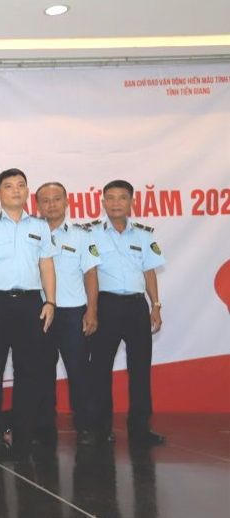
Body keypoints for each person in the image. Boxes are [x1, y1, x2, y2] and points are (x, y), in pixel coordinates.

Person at [0, 168, 57, 452]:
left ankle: (23, 432)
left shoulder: (40, 227)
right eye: (9, 186)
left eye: (21, 185)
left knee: (28, 370)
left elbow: (46, 265)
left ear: (27, 191)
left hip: (31, 304)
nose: (16, 190)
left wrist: (50, 302)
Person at [87, 179, 166, 445]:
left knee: (140, 370)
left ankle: (140, 430)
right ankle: (100, 428)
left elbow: (149, 272)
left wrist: (156, 305)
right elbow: (89, 274)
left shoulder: (144, 235)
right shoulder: (91, 233)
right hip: (105, 306)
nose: (116, 203)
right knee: (100, 370)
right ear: (103, 202)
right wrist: (91, 310)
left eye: (122, 197)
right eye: (110, 198)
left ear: (131, 201)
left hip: (136, 307)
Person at [35, 182, 101, 446]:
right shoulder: (31, 233)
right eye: (45, 200)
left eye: (56, 199)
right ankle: (43, 427)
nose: (51, 204)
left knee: (78, 372)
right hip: (40, 312)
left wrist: (92, 311)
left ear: (67, 202)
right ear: (37, 205)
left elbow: (91, 274)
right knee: (41, 373)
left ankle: (86, 426)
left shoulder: (82, 236)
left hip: (73, 313)